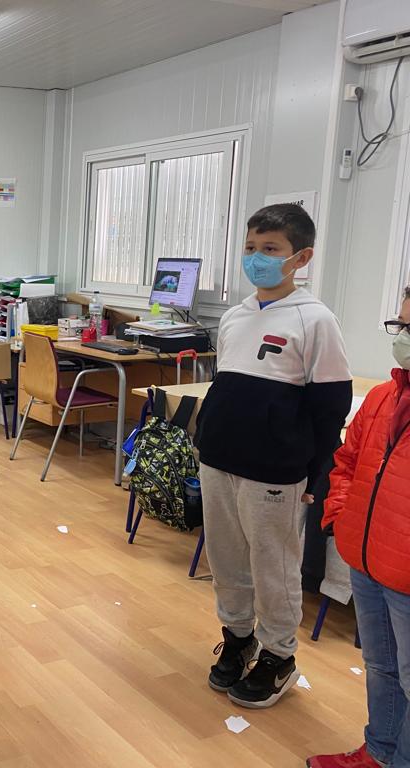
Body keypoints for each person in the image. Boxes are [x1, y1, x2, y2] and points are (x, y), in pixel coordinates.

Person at [194, 203, 352, 709]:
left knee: (274, 566)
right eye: (250, 248)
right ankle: (238, 638)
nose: (256, 258)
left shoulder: (315, 319)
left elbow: (330, 408)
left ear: (300, 258)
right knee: (226, 560)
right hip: (219, 459)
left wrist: (316, 474)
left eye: (269, 249)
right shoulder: (236, 316)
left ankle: (279, 654)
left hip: (275, 471)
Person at [307, 287, 410, 768]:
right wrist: (341, 515)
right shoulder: (385, 396)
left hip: (405, 574)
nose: (404, 336)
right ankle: (379, 752)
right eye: (402, 325)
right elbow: (347, 461)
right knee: (381, 666)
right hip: (365, 559)